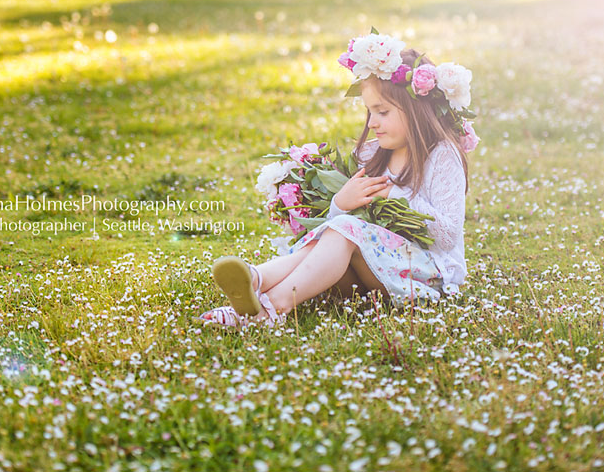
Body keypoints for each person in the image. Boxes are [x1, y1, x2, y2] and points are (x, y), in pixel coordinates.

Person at [199, 31, 480, 328]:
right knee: (340, 228)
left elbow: (448, 237)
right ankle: (257, 286)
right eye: (370, 112)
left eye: (382, 112)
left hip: (425, 281)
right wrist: (339, 203)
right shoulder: (373, 153)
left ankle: (269, 306)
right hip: (368, 275)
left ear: (416, 110)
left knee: (348, 228)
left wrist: (393, 194)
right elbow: (339, 234)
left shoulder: (441, 155)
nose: (372, 123)